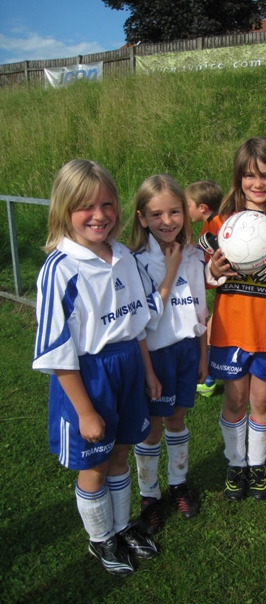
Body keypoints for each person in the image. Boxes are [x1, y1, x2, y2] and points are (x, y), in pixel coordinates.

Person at [32, 159, 161, 577]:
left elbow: (137, 324)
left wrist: (148, 373)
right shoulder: (60, 269)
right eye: (86, 206)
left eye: (107, 204)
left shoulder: (123, 256)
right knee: (95, 465)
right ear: (64, 209)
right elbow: (56, 350)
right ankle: (100, 537)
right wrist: (85, 411)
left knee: (121, 453)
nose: (99, 215)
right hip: (88, 376)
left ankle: (121, 527)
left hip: (128, 367)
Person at [201, 137, 266, 501]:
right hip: (230, 332)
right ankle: (235, 462)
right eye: (249, 175)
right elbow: (202, 279)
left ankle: (257, 464)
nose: (258, 183)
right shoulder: (219, 224)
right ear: (238, 178)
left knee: (261, 402)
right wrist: (213, 269)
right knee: (234, 401)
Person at [130, 174, 208, 533]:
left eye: (174, 212)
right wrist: (148, 371)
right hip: (155, 356)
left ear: (185, 213)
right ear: (142, 218)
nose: (167, 221)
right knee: (151, 429)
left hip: (187, 352)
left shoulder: (193, 255)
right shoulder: (135, 262)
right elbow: (142, 323)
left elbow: (200, 311)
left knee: (176, 420)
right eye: (156, 214)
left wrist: (203, 355)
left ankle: (178, 482)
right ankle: (149, 495)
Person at [185, 179, 223, 398]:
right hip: (220, 286)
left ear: (202, 207)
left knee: (209, 327)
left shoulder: (215, 225)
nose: (186, 210)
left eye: (188, 205)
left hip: (224, 286)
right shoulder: (216, 222)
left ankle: (208, 379)